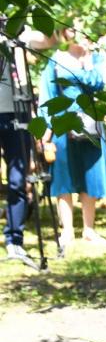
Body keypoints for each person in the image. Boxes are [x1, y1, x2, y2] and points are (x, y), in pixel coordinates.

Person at [39, 29, 106, 250]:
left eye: (84, 29)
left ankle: (89, 229)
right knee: (64, 177)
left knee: (90, 176)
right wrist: (45, 132)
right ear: (65, 33)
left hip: (90, 124)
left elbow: (98, 84)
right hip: (63, 124)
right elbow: (48, 94)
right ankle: (66, 231)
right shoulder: (55, 59)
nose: (80, 34)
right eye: (73, 29)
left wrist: (86, 64)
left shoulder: (95, 59)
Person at [1, 39, 31, 263]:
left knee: (18, 180)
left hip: (18, 112)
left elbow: (51, 40)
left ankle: (14, 240)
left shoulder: (16, 38)